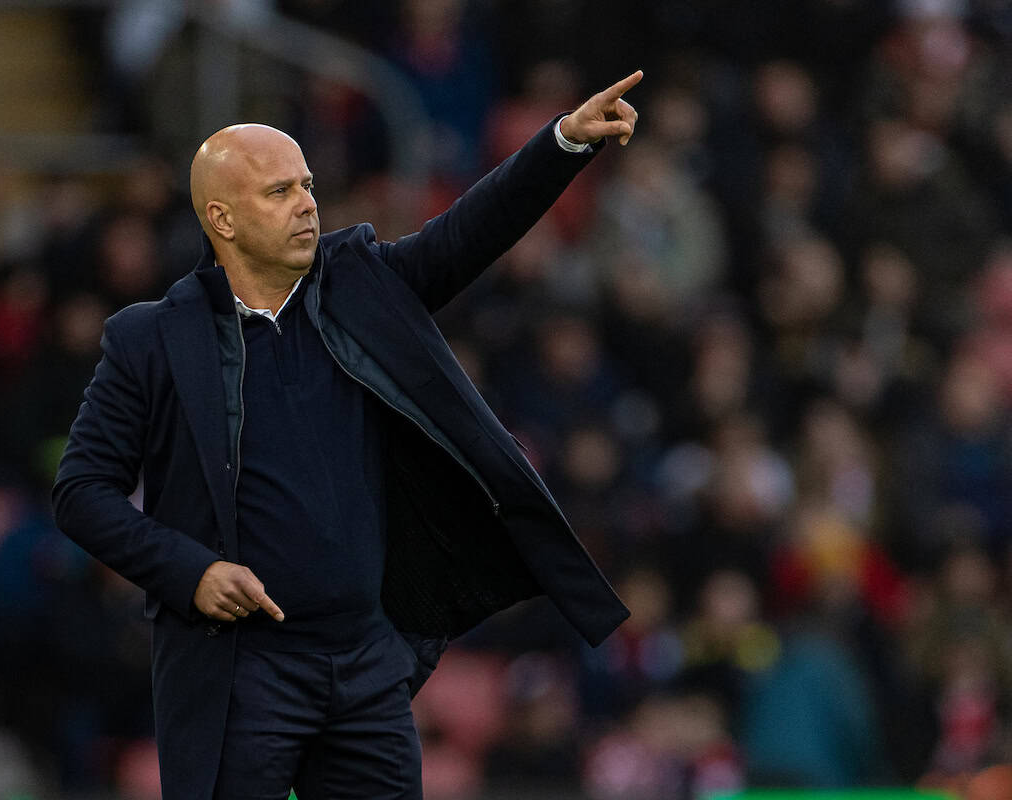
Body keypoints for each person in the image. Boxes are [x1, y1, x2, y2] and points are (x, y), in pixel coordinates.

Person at [53, 69, 644, 800]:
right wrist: (191, 572)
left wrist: (560, 145)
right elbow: (81, 492)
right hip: (240, 671)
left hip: (366, 664)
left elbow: (468, 233)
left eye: (306, 186)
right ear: (223, 219)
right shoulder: (151, 340)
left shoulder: (360, 284)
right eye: (280, 193)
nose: (307, 205)